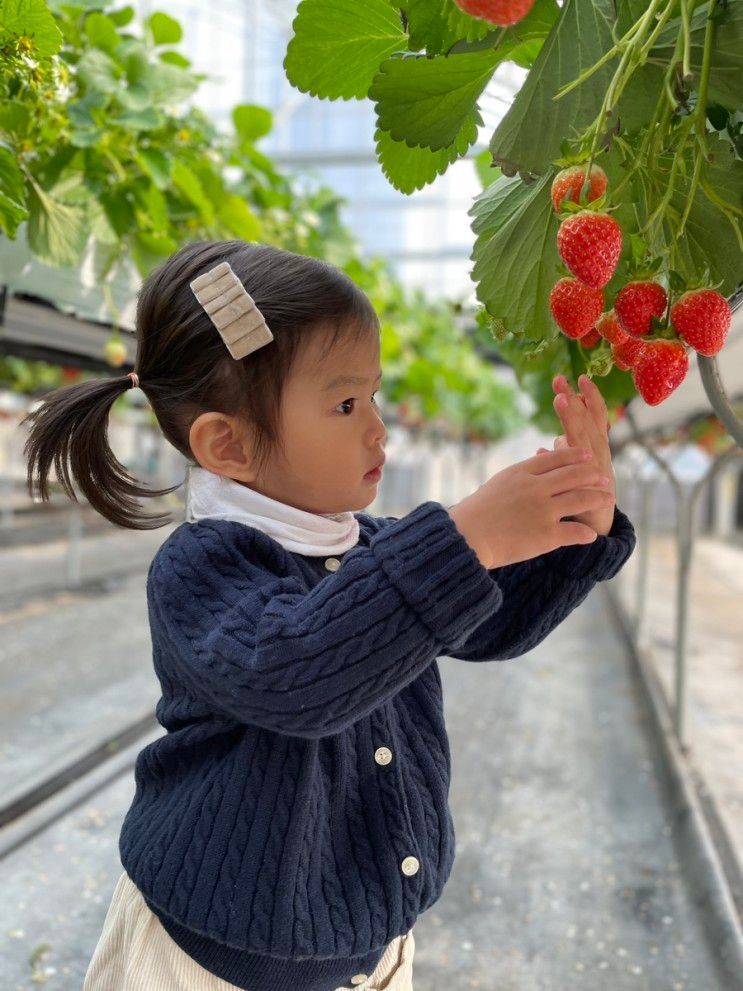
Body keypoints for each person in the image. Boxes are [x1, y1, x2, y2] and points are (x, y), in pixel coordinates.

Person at [21, 240, 636, 991]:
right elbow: (296, 670)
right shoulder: (204, 568)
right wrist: (465, 535)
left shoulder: (373, 544)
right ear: (230, 443)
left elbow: (491, 623)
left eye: (374, 396)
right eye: (346, 404)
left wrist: (579, 530)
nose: (378, 427)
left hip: (372, 952)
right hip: (209, 967)